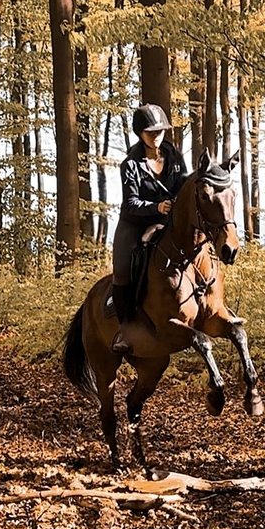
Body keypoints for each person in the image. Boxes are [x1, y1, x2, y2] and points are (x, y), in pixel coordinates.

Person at [111, 104, 188, 355]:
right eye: (150, 132)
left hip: (166, 222)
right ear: (140, 133)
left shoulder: (174, 156)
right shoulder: (130, 164)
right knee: (123, 270)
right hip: (135, 224)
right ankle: (124, 328)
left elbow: (183, 185)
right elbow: (131, 203)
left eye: (160, 131)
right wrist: (158, 207)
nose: (156, 136)